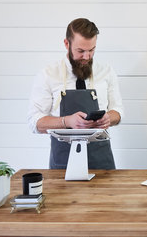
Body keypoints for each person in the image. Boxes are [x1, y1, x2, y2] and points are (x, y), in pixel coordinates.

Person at [27, 18, 124, 169]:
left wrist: (108, 119)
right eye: (81, 51)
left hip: (101, 162)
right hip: (62, 163)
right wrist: (66, 122)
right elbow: (35, 122)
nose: (87, 57)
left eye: (91, 50)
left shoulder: (106, 71)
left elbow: (118, 111)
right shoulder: (48, 74)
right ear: (67, 44)